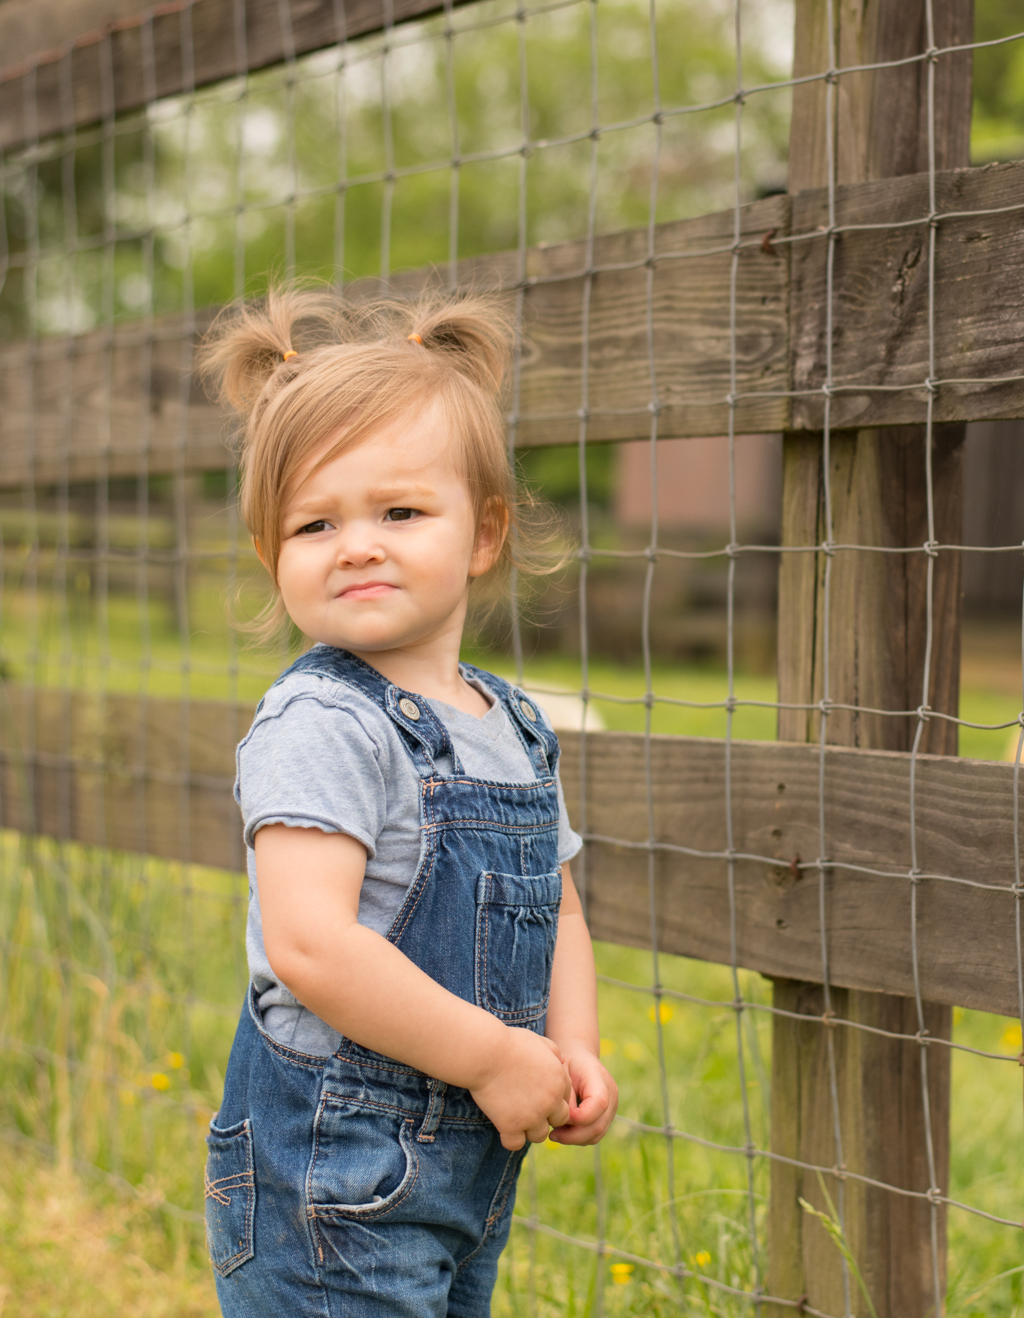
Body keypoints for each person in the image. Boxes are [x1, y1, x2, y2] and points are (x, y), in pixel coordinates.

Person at [196, 287, 617, 1316]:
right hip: (330, 1169)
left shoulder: (512, 722)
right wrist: (491, 1055)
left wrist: (573, 1047)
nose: (357, 543)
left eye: (399, 512)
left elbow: (557, 906)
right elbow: (311, 946)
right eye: (314, 522)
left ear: (483, 534)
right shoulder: (321, 726)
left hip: (466, 1157)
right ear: (272, 553)